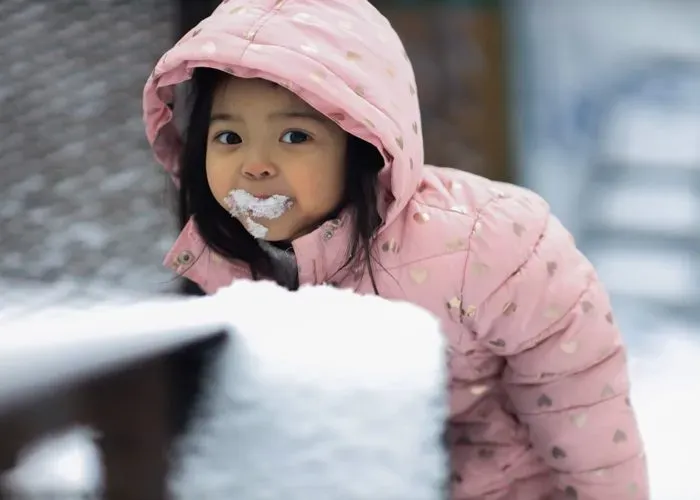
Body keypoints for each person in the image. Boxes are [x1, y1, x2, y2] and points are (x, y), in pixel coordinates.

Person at [142, 1, 648, 498]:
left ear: (363, 144)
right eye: (228, 136)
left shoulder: (481, 245)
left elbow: (580, 403)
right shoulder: (220, 269)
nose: (255, 165)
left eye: (294, 136)